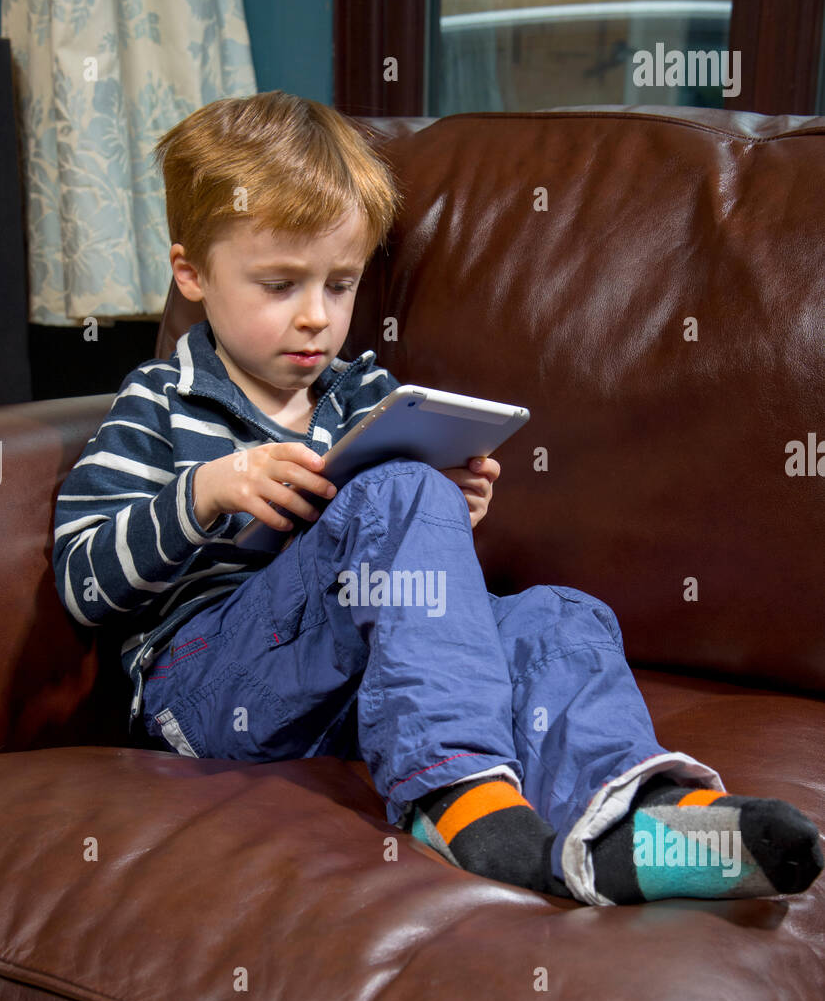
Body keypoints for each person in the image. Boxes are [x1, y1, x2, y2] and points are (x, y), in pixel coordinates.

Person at [52, 91, 823, 907]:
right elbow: (80, 582)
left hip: (352, 688)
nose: (316, 318)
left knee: (561, 615)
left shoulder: (366, 396)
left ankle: (642, 813)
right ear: (193, 274)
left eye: (341, 285)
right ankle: (456, 802)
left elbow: (415, 609)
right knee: (397, 494)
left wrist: (447, 513)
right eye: (279, 284)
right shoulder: (163, 402)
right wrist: (202, 494)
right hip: (206, 687)